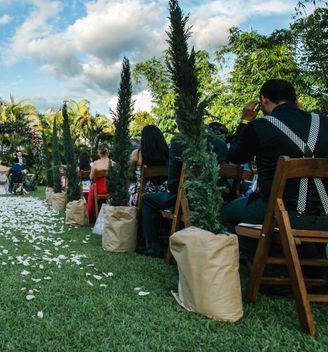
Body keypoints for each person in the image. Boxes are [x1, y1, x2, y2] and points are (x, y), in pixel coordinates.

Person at [222, 79, 328, 257]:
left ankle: (266, 265)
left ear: (263, 100)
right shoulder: (324, 122)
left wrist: (244, 121)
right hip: (325, 214)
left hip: (281, 212)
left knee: (227, 213)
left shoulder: (259, 126)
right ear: (295, 99)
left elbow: (236, 156)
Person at [138, 124, 228, 258]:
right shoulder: (220, 142)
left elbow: (173, 183)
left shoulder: (179, 141)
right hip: (220, 199)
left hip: (189, 199)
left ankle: (155, 246)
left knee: (146, 200)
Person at [128, 125, 169, 206]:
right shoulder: (167, 154)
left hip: (142, 197)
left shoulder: (137, 154)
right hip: (164, 196)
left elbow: (130, 175)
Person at [87, 144, 111, 218]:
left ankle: (90, 215)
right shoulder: (112, 163)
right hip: (110, 189)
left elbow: (91, 178)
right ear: (108, 152)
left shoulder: (96, 163)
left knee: (92, 185)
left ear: (98, 152)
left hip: (98, 189)